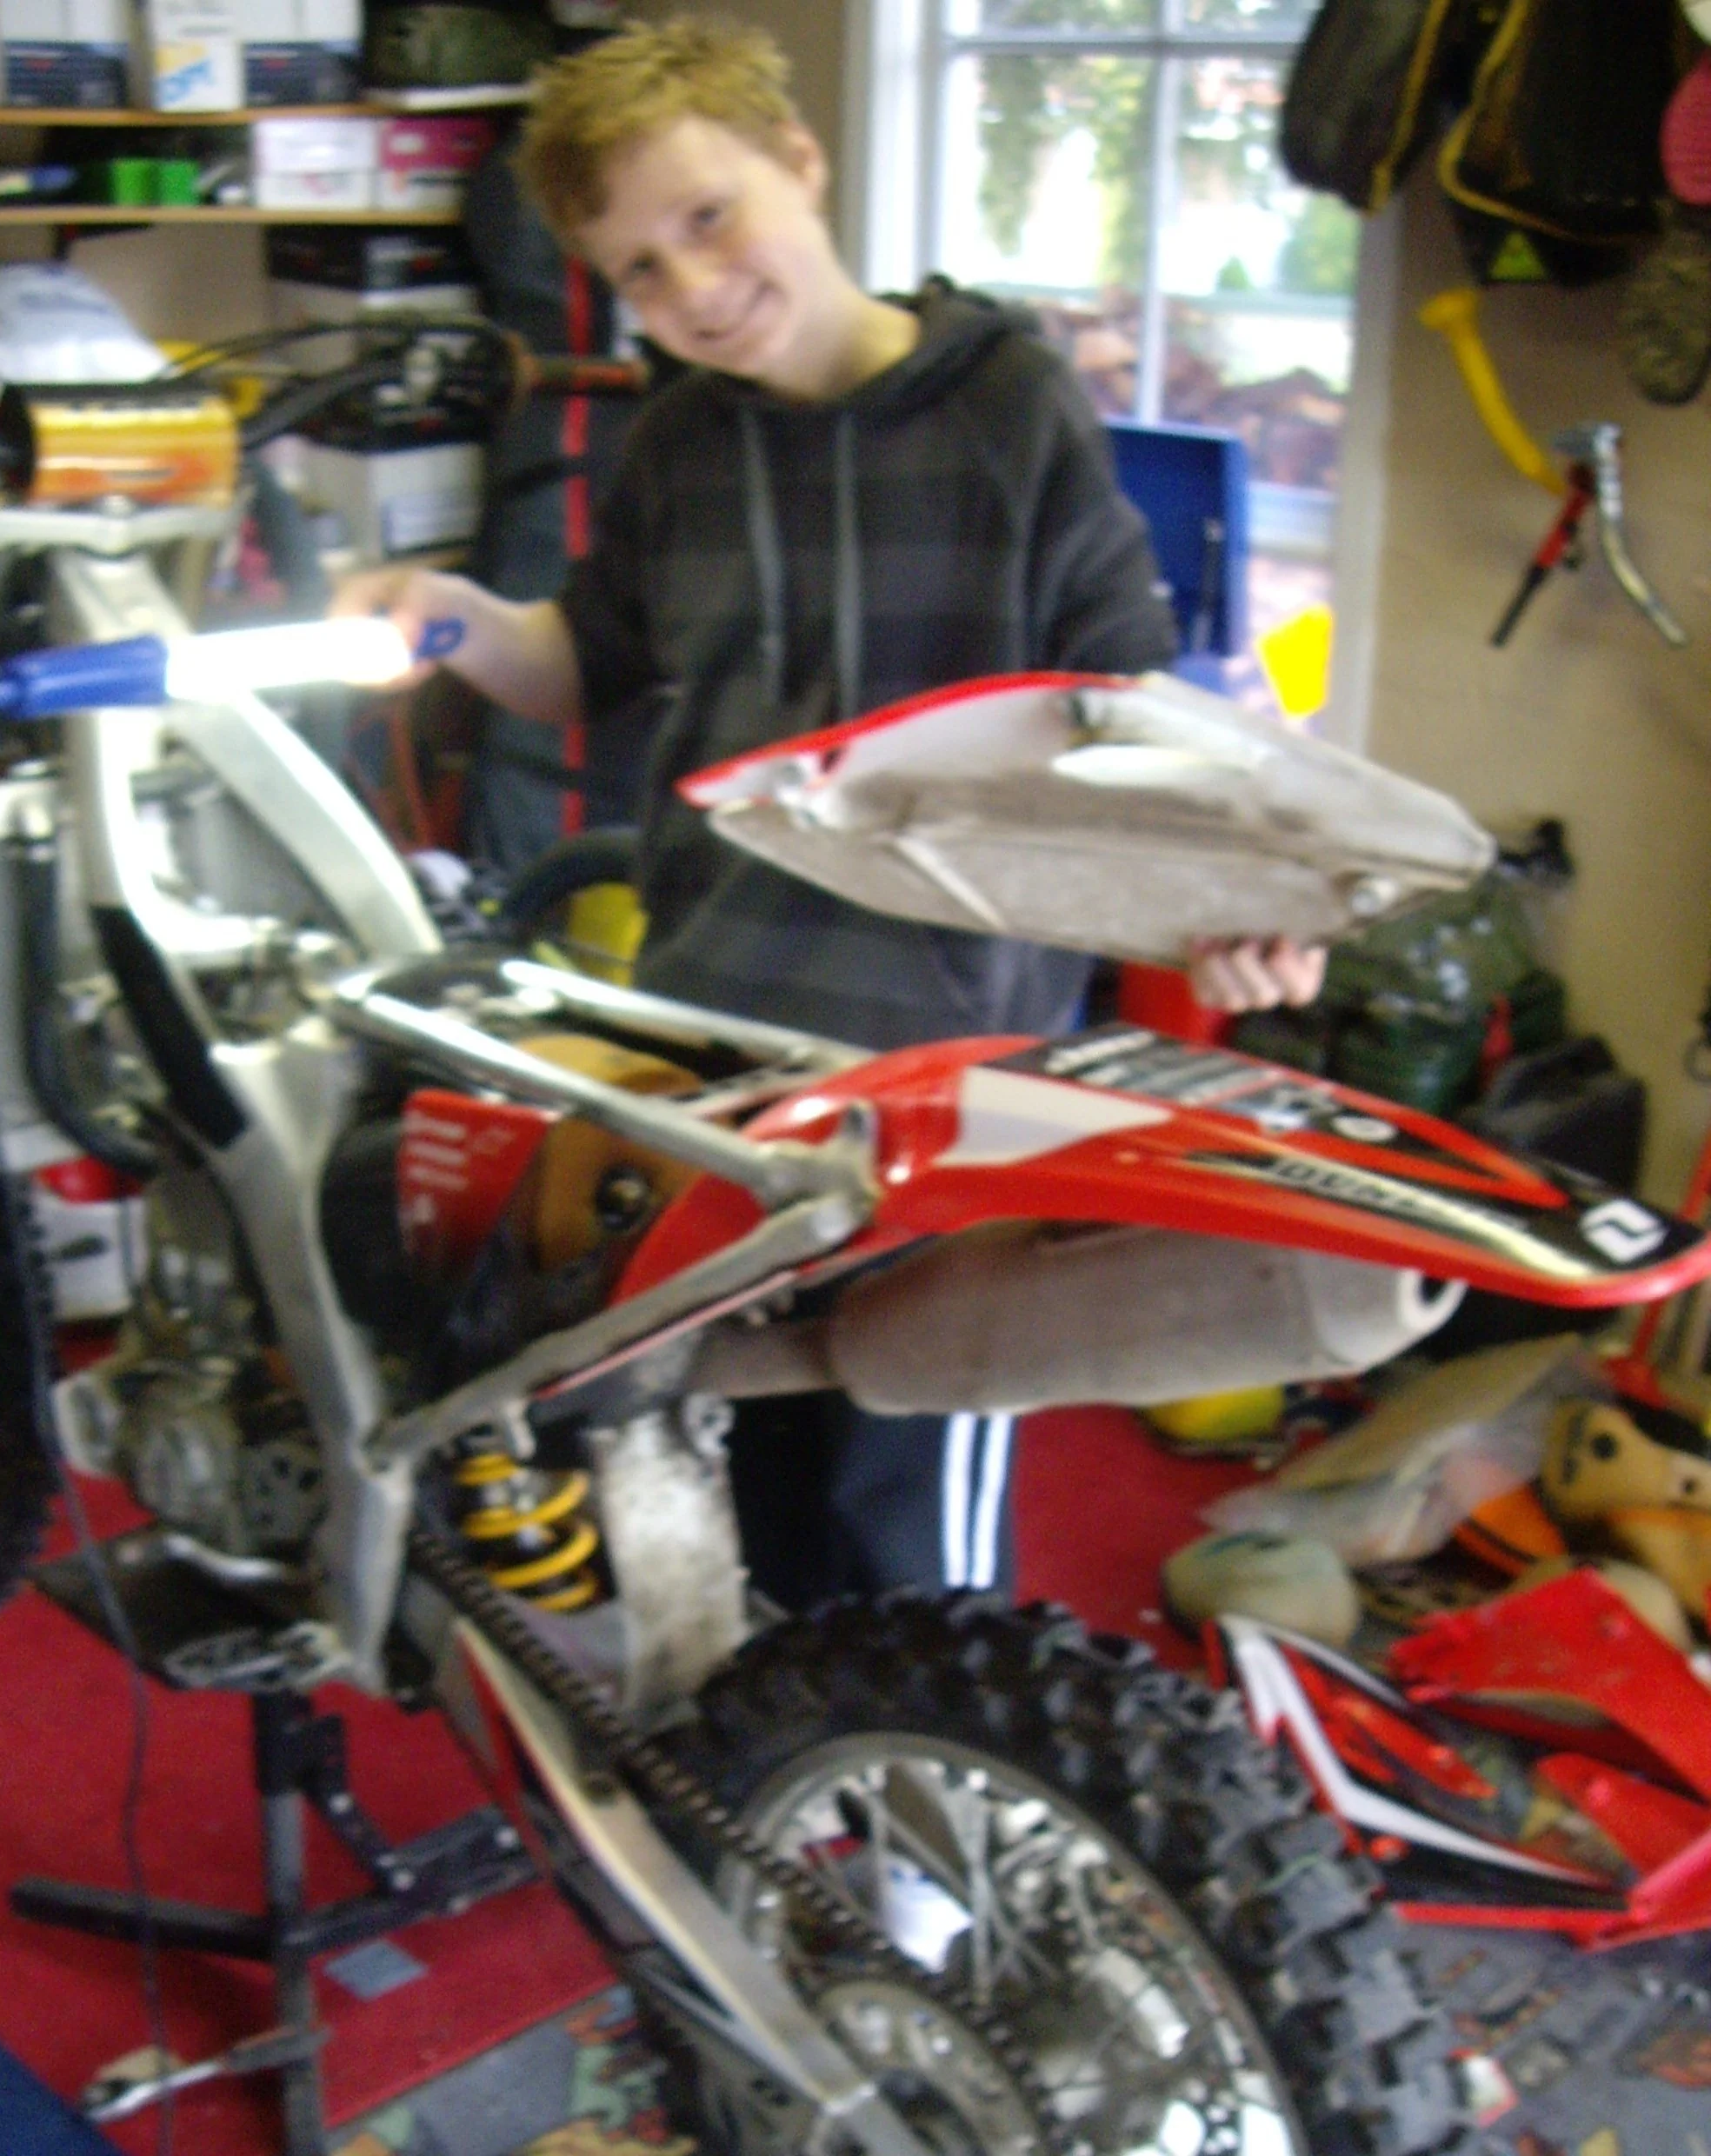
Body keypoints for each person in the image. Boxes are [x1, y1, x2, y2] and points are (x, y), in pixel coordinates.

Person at [334, 16, 1323, 1607]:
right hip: (718, 1053)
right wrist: (448, 615)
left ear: (802, 164)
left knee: (901, 1506)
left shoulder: (1007, 405)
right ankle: (780, 1803)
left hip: (947, 1079)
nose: (692, 291)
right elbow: (585, 662)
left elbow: (1132, 705)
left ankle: (919, 1842)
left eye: (710, 218)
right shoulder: (677, 441)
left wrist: (1242, 894)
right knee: (728, 1452)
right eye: (641, 270)